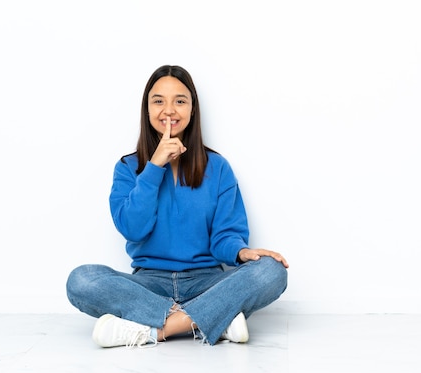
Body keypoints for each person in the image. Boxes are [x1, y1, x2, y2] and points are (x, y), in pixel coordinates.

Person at [66, 65, 289, 348]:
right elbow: (133, 229)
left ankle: (154, 330)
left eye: (179, 101)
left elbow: (225, 236)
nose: (168, 110)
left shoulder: (218, 167)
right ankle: (213, 320)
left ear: (192, 110)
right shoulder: (128, 168)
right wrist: (154, 166)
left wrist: (242, 251)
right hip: (150, 285)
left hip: (206, 282)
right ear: (147, 110)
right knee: (82, 280)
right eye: (158, 101)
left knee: (272, 270)